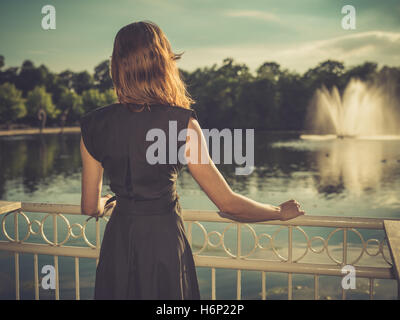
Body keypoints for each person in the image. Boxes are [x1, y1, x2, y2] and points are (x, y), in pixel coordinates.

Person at [79, 21, 305, 300]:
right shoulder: (181, 123)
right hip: (163, 246)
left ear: (118, 66)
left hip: (117, 246)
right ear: (163, 63)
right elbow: (227, 203)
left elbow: (89, 206)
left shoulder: (92, 125)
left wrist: (106, 201)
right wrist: (278, 212)